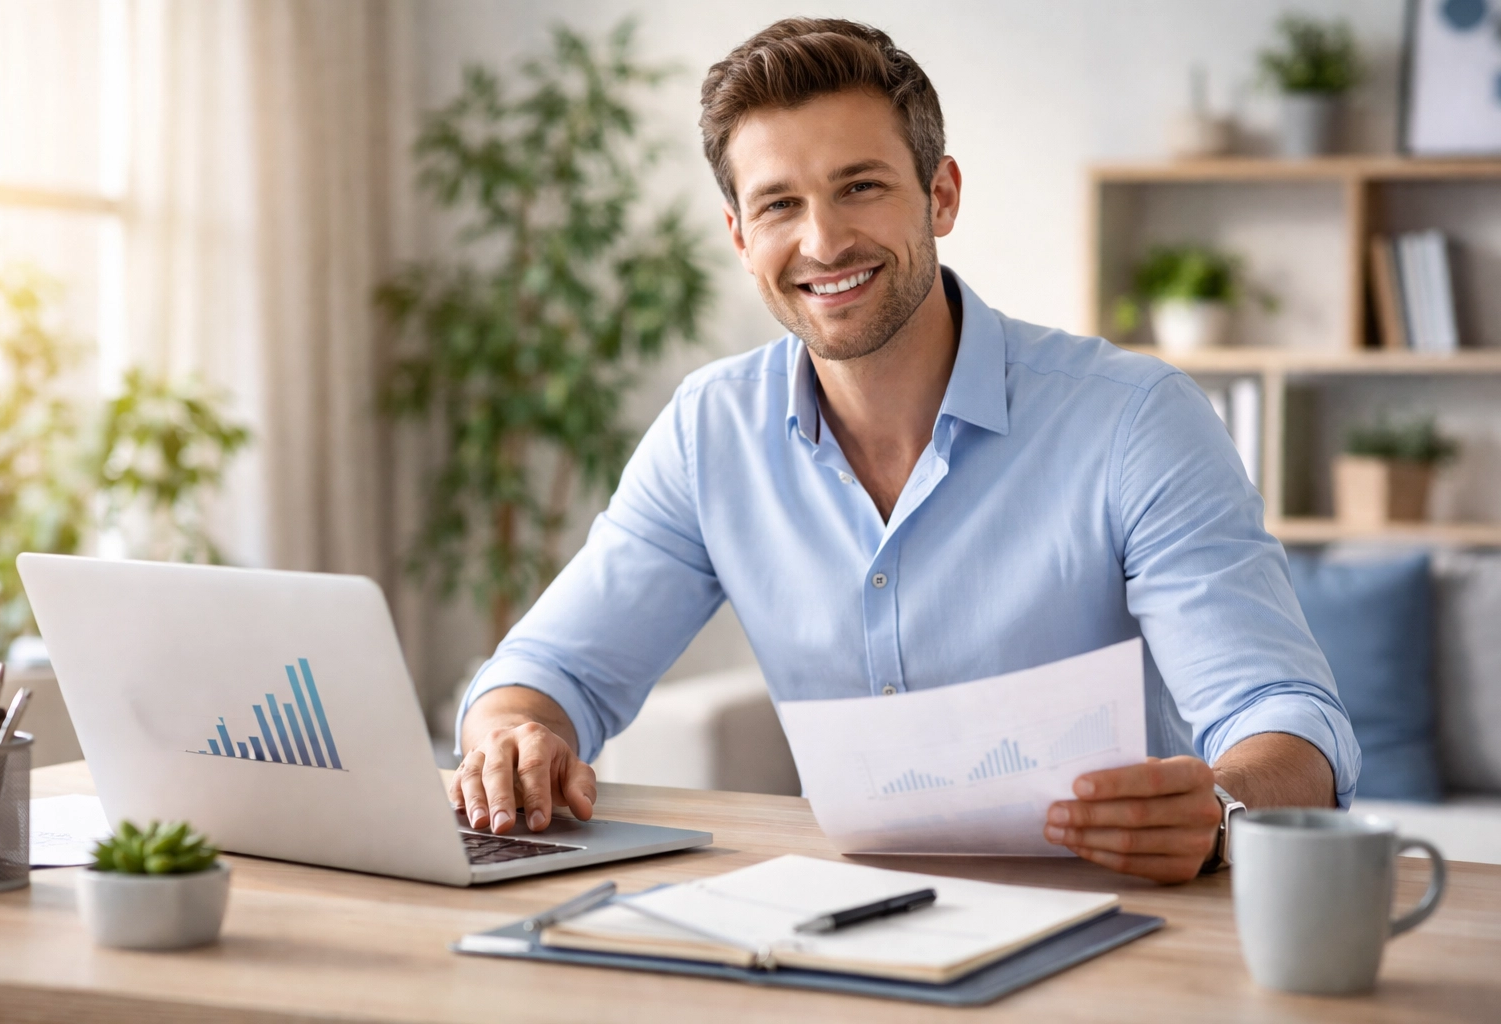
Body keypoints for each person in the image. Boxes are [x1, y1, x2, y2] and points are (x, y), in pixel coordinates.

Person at [448, 17, 1358, 883]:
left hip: (1114, 918)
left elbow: (1286, 720)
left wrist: (1225, 809)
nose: (823, 240)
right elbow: (549, 673)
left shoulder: (1136, 422)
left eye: (861, 186)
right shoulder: (708, 432)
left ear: (942, 194)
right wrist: (513, 735)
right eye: (779, 205)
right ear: (739, 236)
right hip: (836, 926)